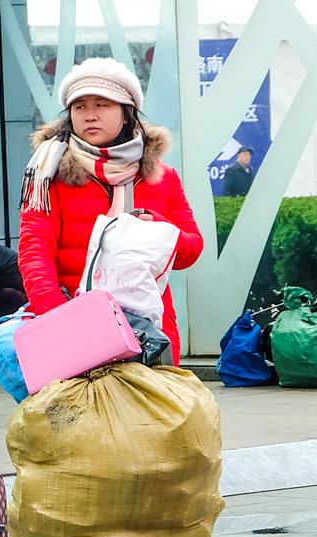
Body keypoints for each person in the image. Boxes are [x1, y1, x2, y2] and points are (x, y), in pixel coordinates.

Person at [18, 57, 203, 365]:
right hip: (76, 327)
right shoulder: (47, 175)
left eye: (102, 105)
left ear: (127, 113)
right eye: (80, 107)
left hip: (150, 333)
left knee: (153, 414)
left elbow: (191, 250)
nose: (90, 115)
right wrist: (58, 317)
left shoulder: (161, 176)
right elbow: (34, 252)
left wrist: (158, 229)